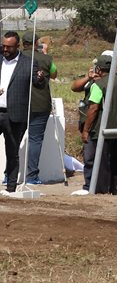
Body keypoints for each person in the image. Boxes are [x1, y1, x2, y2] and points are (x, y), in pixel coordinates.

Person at [77, 54, 117, 194]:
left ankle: (101, 190)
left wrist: (85, 130)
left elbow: (93, 108)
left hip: (102, 128)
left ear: (99, 69)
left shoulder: (98, 85)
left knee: (101, 161)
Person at [0, 31, 33, 191]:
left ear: (17, 46)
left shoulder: (28, 63)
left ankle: (11, 186)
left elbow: (39, 82)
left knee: (12, 151)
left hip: (15, 115)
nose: (5, 50)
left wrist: (40, 77)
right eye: (3, 46)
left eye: (9, 47)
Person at [23, 32, 57, 185]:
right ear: (37, 43)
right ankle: (31, 176)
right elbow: (54, 74)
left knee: (13, 139)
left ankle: (8, 174)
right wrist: (44, 54)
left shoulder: (15, 57)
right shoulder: (46, 58)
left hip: (18, 104)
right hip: (40, 104)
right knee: (35, 140)